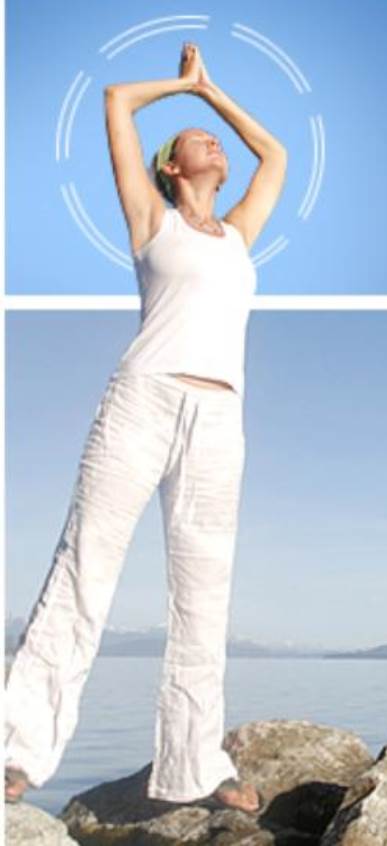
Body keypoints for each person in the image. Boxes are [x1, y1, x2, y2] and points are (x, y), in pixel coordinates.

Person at [4, 41, 286, 813]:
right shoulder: (150, 222)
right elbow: (116, 101)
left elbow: (277, 153)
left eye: (215, 138)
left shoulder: (239, 234)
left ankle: (196, 768)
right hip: (143, 399)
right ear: (169, 166)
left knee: (205, 597)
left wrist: (214, 94)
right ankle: (16, 750)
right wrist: (182, 86)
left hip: (221, 415)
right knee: (84, 567)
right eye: (199, 137)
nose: (214, 141)